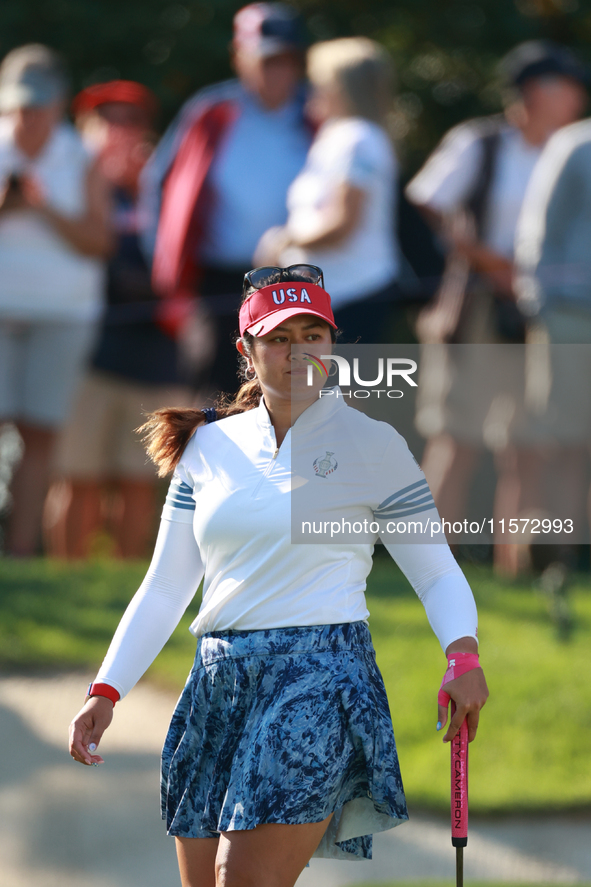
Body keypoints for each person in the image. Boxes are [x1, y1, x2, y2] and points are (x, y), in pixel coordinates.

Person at [69, 264, 488, 887]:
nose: (298, 353)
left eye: (312, 335)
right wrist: (106, 689)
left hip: (319, 675)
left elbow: (434, 571)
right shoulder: (207, 449)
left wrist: (462, 655)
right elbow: (165, 586)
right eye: (278, 338)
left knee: (241, 879)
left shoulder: (374, 445)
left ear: (333, 344)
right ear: (247, 350)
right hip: (218, 679)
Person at [405, 40, 587, 555]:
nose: (578, 100)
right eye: (570, 88)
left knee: (527, 445)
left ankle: (515, 570)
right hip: (477, 307)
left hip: (542, 312)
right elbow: (430, 202)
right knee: (456, 439)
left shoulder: (570, 150)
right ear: (539, 91)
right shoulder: (480, 142)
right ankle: (428, 566)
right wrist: (488, 261)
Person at [43, 81, 193, 560]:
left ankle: (125, 583)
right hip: (88, 355)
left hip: (159, 358)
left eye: (130, 121)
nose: (119, 132)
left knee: (140, 482)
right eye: (105, 120)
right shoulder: (71, 191)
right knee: (77, 476)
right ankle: (64, 580)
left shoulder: (166, 193)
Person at [142, 2, 313, 396]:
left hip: (298, 282)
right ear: (240, 58)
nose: (276, 71)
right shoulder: (210, 113)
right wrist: (166, 275)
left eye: (286, 60)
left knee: (294, 397)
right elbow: (159, 185)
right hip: (217, 284)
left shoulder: (318, 115)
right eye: (266, 59)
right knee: (215, 401)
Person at [0, 44, 111, 557]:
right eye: (20, 105)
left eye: (39, 105)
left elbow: (100, 241)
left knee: (39, 434)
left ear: (58, 103)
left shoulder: (82, 156)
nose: (29, 117)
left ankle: (21, 552)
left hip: (64, 313)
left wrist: (43, 209)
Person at [255, 37, 401, 344]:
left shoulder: (357, 139)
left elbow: (342, 222)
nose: (312, 90)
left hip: (355, 294)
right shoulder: (339, 137)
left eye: (320, 82)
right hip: (335, 295)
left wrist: (282, 241)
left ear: (343, 88)